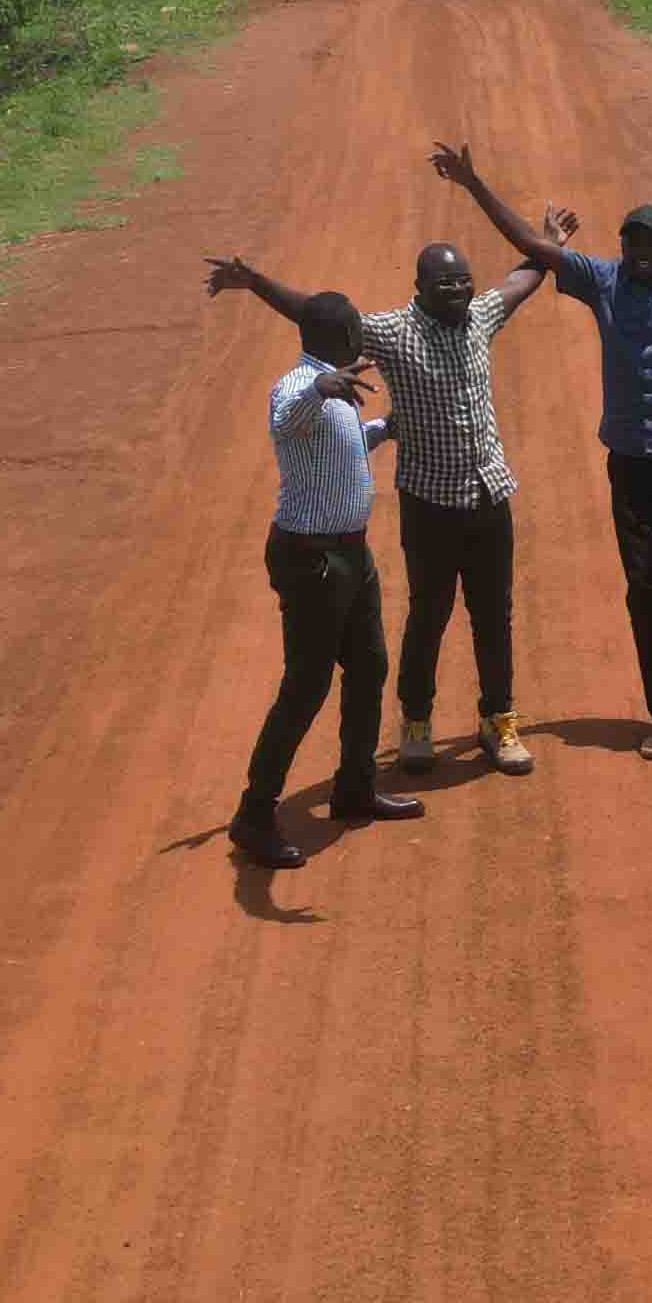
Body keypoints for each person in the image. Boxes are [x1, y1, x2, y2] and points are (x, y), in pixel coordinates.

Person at [433, 135, 652, 759]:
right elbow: (532, 248)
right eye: (633, 245)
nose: (642, 256)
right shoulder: (603, 281)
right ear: (622, 248)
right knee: (642, 590)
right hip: (628, 459)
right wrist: (473, 181)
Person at [202, 199, 577, 776]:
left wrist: (550, 245)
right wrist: (255, 284)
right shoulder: (392, 333)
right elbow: (320, 314)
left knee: (493, 615)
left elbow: (524, 277)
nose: (457, 290)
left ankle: (499, 721)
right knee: (429, 613)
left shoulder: (480, 316)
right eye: (444, 283)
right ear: (420, 287)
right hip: (429, 502)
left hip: (489, 495)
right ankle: (418, 721)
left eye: (463, 281)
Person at [227, 292, 419, 870]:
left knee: (369, 666)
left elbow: (337, 453)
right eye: (357, 329)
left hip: (351, 556)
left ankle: (354, 787)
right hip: (310, 560)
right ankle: (253, 815)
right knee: (306, 686)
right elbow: (288, 422)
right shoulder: (296, 387)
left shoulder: (340, 388)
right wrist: (319, 390)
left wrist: (385, 428)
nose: (363, 337)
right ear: (339, 335)